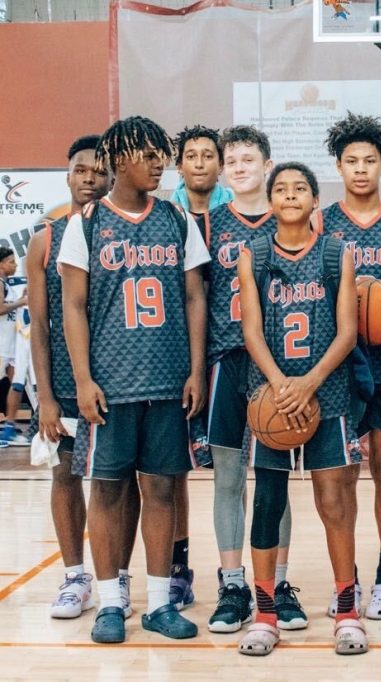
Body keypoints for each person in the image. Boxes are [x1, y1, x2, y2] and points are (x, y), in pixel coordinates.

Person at [58, 116, 209, 644]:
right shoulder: (88, 223)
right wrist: (81, 378)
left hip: (169, 381)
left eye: (161, 154)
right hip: (111, 383)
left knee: (164, 489)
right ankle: (110, 603)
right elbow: (72, 306)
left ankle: (162, 603)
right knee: (107, 490)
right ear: (119, 159)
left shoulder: (176, 219)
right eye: (148, 154)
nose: (159, 162)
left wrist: (195, 370)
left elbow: (195, 297)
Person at [236, 162, 365, 656]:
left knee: (334, 503)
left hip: (326, 393)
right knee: (268, 503)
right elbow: (251, 331)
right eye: (282, 190)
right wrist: (279, 385)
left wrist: (308, 383)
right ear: (271, 202)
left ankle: (347, 608)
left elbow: (347, 331)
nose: (291, 195)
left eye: (301, 189)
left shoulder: (336, 253)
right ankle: (265, 613)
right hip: (268, 396)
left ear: (315, 200)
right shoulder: (255, 254)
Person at [27, 135, 140, 620]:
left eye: (98, 171)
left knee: (121, 479)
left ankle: (120, 573)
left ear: (112, 176)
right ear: (68, 175)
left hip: (118, 376)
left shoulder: (124, 232)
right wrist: (47, 397)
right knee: (65, 473)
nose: (89, 178)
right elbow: (41, 327)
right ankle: (76, 577)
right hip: (66, 386)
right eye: (81, 170)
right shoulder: (45, 239)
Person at [202, 126, 303, 632]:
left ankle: (278, 583)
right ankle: (233, 582)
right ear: (223, 172)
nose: (240, 167)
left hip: (281, 366)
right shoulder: (209, 225)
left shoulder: (294, 221)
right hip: (228, 359)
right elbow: (195, 301)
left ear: (268, 166)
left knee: (276, 478)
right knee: (227, 475)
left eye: (249, 159)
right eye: (232, 161)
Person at [321, 112, 381, 619]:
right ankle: (349, 577)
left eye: (370, 161)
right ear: (338, 166)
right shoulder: (320, 223)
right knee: (341, 473)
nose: (361, 169)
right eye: (351, 161)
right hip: (339, 366)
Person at [164, 123, 230, 612]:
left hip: (228, 354)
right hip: (176, 356)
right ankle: (178, 568)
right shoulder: (164, 215)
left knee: (237, 469)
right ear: (179, 164)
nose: (201, 162)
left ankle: (239, 575)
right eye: (192, 155)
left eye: (209, 154)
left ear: (220, 163)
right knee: (175, 470)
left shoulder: (238, 214)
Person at [0, 245, 27, 441]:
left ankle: (10, 424)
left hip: (11, 345)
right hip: (1, 344)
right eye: (11, 262)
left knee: (16, 383)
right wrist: (23, 301)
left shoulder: (6, 284)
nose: (15, 265)